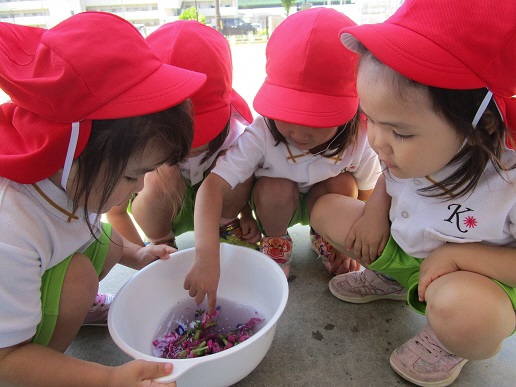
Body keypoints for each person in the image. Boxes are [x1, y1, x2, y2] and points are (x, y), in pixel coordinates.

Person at [310, 0, 516, 385]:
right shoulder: (407, 147)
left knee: (470, 314)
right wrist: (374, 211)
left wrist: (458, 255)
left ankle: (449, 340)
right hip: (407, 252)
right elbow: (392, 176)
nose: (376, 144)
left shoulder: (508, 178)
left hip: (470, 281)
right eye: (370, 119)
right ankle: (391, 281)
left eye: (400, 132)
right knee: (325, 210)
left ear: (482, 124)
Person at [0, 12, 207, 386]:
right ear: (70, 149)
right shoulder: (11, 225)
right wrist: (108, 379)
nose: (141, 187)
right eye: (132, 175)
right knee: (79, 278)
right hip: (9, 353)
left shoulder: (72, 178)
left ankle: (69, 311)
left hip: (32, 280)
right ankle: (49, 363)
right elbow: (5, 359)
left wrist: (138, 254)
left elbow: (91, 228)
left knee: (109, 239)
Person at [185, 8, 381, 312]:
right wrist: (206, 256)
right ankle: (276, 241)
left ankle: (326, 239)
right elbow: (212, 187)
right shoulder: (262, 132)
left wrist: (348, 239)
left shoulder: (359, 137)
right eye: (288, 113)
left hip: (326, 204)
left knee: (344, 183)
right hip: (274, 205)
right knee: (273, 187)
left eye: (317, 117)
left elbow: (369, 192)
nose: (299, 132)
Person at [106, 20, 260, 252]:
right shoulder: (132, 138)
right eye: (174, 137)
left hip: (220, 206)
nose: (190, 146)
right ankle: (162, 240)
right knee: (161, 173)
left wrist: (246, 212)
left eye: (201, 132)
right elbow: (115, 213)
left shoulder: (237, 126)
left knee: (237, 159)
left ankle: (224, 227)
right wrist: (141, 257)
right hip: (166, 208)